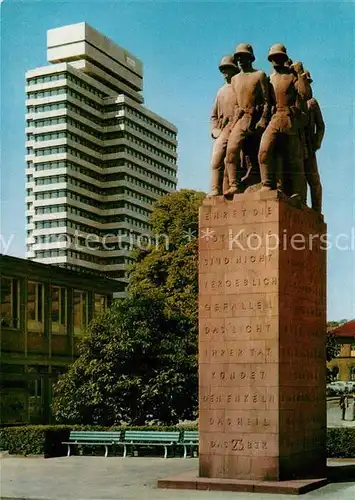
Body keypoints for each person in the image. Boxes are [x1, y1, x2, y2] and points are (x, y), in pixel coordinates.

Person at [258, 44, 311, 201]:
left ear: (284, 58)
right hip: (274, 119)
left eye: (279, 57)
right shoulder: (269, 79)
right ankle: (266, 185)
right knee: (264, 151)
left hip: (289, 120)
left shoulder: (292, 76)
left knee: (294, 160)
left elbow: (305, 94)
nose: (276, 60)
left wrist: (300, 73)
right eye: (273, 57)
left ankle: (298, 195)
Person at [224, 43, 270, 196]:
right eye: (238, 57)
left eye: (243, 56)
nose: (240, 60)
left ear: (251, 58)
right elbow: (237, 104)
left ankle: (264, 181)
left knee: (257, 153)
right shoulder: (235, 79)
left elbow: (266, 101)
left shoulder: (259, 75)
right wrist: (233, 124)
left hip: (255, 118)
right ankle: (234, 184)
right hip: (241, 119)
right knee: (231, 151)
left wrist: (263, 119)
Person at [209, 55, 239, 196]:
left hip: (239, 127)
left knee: (232, 160)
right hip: (224, 130)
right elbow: (213, 115)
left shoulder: (239, 86)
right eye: (223, 69)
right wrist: (215, 130)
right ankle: (215, 189)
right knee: (216, 160)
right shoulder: (221, 91)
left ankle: (234, 186)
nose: (225, 72)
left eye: (228, 69)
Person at [303, 70, 325, 212]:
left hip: (309, 144)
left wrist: (317, 142)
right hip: (296, 142)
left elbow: (321, 126)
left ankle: (317, 209)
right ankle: (301, 202)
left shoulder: (312, 102)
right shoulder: (292, 100)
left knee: (313, 178)